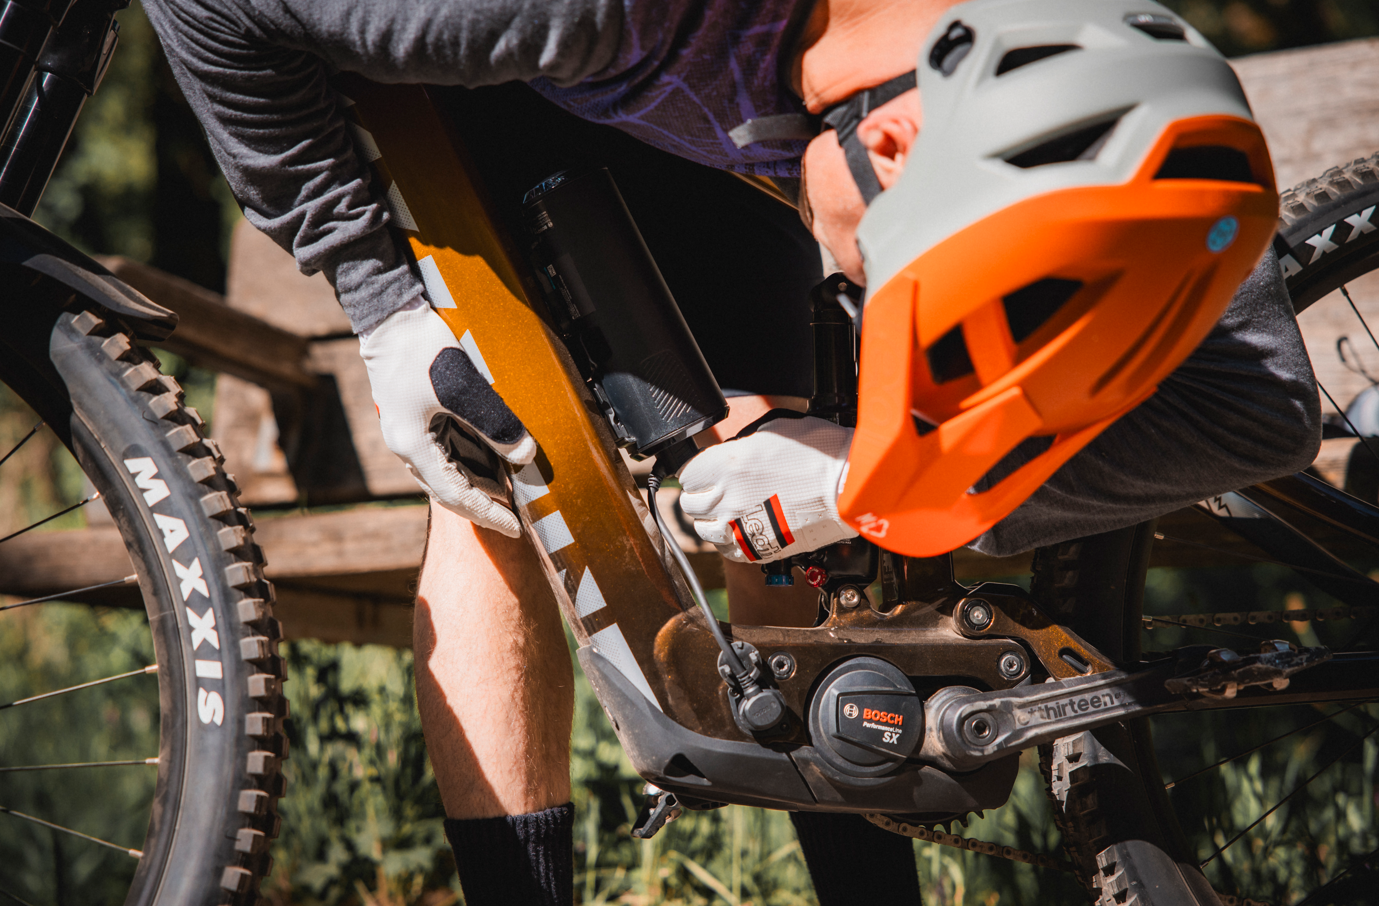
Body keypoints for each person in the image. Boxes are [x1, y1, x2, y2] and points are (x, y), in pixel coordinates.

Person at [140, 0, 1320, 903]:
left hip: (727, 96)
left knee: (763, 414)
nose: (867, 290)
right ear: (896, 148)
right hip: (489, 65)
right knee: (509, 459)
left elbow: (1251, 412)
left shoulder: (1083, 60)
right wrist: (377, 298)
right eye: (902, 274)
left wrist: (855, 482)